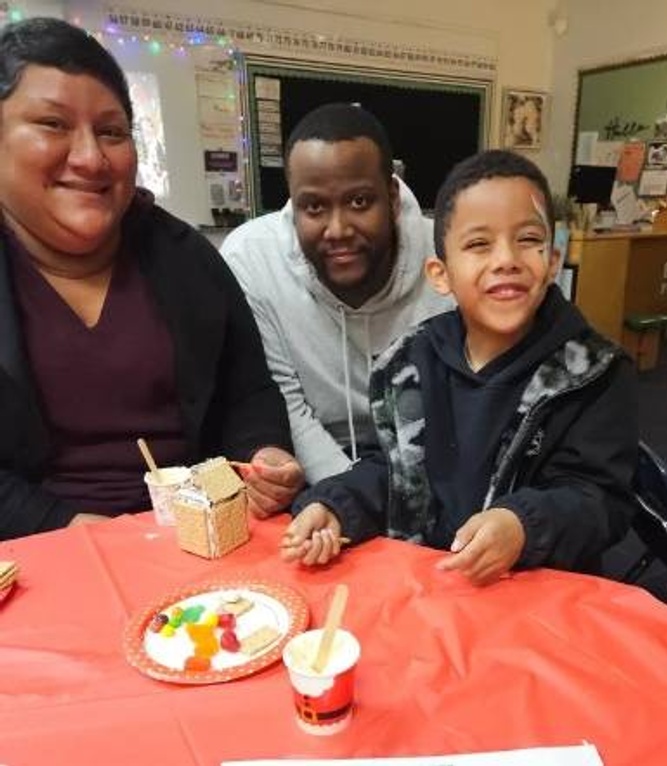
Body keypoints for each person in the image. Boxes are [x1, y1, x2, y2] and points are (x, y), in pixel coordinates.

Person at [0, 18, 303, 540]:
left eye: (112, 132)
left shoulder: (188, 258)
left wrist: (263, 455)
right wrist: (66, 526)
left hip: (202, 536)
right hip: (39, 551)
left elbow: (247, 392)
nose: (91, 157)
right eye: (53, 124)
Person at [281, 149, 639, 584]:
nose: (506, 258)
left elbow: (600, 501)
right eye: (478, 244)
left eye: (528, 239)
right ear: (440, 273)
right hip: (428, 586)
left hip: (534, 593)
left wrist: (523, 526)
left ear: (552, 262)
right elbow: (392, 471)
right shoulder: (410, 363)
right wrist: (337, 504)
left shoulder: (594, 373)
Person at [221, 103, 452, 484]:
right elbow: (284, 402)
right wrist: (351, 499)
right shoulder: (251, 259)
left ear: (392, 197)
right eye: (313, 207)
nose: (338, 229)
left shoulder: (447, 256)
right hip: (318, 468)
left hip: (429, 460)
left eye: (360, 202)